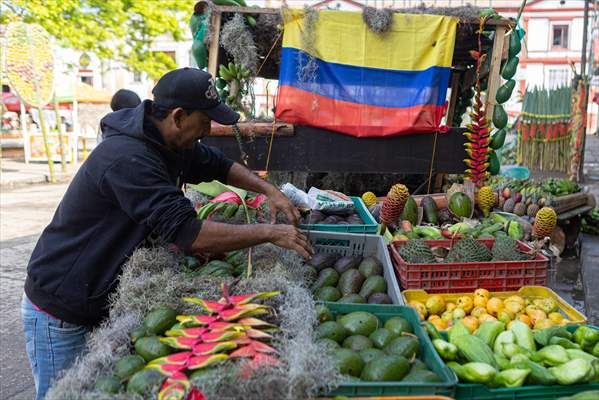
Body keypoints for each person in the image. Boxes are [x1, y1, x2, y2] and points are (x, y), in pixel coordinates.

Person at [22, 67, 313, 400]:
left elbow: (217, 164)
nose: (207, 130)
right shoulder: (128, 159)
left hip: (99, 296)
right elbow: (188, 232)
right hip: (61, 308)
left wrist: (269, 190)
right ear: (178, 116)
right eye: (204, 122)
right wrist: (269, 232)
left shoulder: (168, 141)